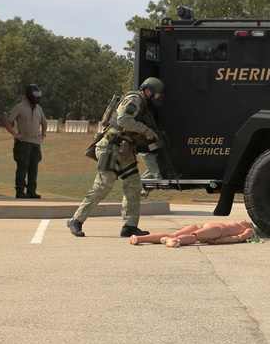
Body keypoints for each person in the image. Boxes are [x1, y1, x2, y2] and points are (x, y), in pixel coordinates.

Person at [67, 77, 166, 238]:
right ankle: (76, 220)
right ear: (148, 91)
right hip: (110, 146)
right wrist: (146, 131)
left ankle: (130, 226)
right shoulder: (134, 99)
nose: (158, 99)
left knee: (134, 185)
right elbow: (123, 120)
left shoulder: (144, 106)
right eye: (157, 95)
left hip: (125, 150)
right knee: (104, 184)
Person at [1, 84, 48, 199]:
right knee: (22, 167)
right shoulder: (20, 107)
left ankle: (32, 191)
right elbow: (6, 120)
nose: (37, 97)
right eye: (35, 95)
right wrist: (15, 134)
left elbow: (44, 122)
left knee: (33, 168)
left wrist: (43, 134)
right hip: (23, 143)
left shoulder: (38, 108)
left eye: (39, 95)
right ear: (29, 94)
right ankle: (20, 191)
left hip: (36, 143)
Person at [128, 220, 257, 247]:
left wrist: (222, 240)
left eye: (249, 222)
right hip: (202, 226)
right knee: (173, 233)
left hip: (218, 231)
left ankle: (175, 241)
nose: (246, 220)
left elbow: (238, 238)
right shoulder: (236, 223)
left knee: (194, 237)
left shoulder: (248, 230)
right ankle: (139, 238)